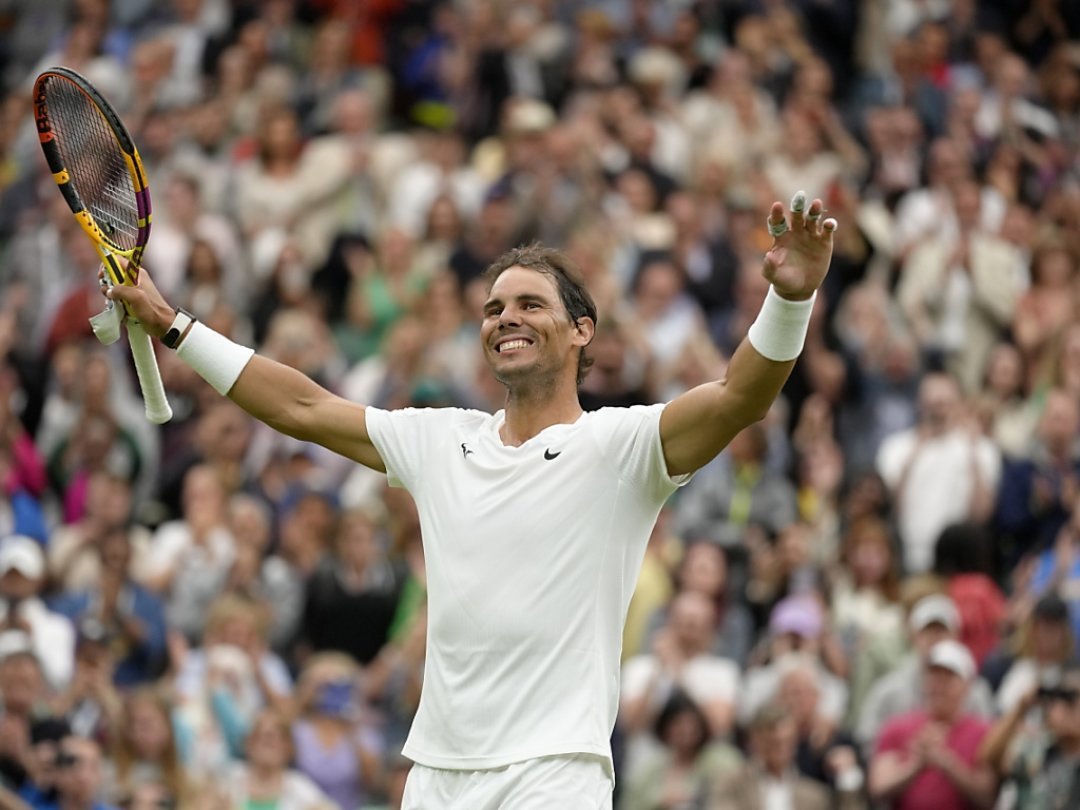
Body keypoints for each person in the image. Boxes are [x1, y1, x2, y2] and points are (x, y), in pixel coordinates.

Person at [106, 192, 837, 808]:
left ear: (583, 331)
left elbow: (742, 396)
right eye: (492, 308)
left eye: (529, 303)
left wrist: (789, 297)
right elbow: (301, 406)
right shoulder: (439, 440)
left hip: (556, 772)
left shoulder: (622, 446)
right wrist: (175, 325)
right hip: (437, 774)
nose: (504, 318)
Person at [868, 640, 997, 810]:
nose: (939, 686)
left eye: (948, 678)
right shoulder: (897, 727)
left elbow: (988, 798)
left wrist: (947, 763)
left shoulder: (984, 733)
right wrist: (916, 765)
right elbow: (878, 787)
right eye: (934, 677)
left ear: (967, 686)